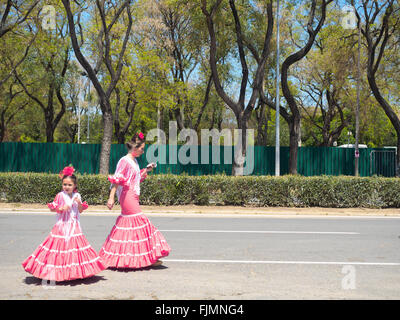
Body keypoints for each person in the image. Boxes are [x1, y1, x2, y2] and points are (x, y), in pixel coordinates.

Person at [99, 132, 171, 269]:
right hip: (127, 196)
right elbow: (117, 180)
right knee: (141, 222)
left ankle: (137, 258)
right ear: (134, 147)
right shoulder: (124, 161)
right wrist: (111, 197)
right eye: (142, 148)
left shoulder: (134, 161)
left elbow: (135, 178)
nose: (143, 151)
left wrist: (146, 170)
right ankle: (150, 257)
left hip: (132, 195)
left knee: (131, 226)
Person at [22, 166, 106, 282]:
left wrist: (79, 204)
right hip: (62, 226)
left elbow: (80, 210)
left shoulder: (77, 196)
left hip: (74, 225)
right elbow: (53, 209)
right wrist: (62, 208)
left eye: (69, 185)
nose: (67, 187)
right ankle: (56, 272)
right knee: (58, 248)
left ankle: (73, 272)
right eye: (64, 184)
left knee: (75, 248)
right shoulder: (60, 195)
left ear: (74, 186)